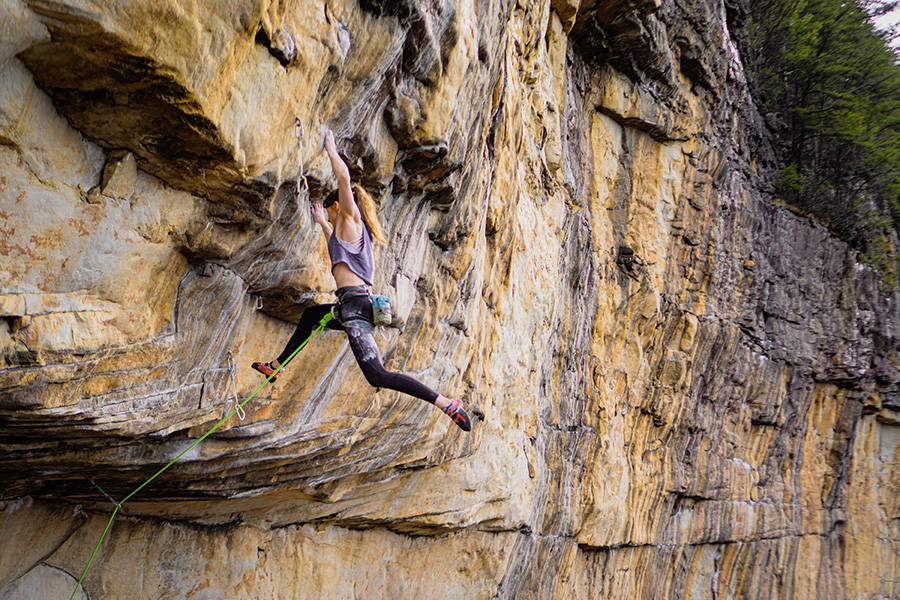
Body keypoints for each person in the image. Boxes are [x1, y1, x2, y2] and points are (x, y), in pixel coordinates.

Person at [252, 130, 472, 431]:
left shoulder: (350, 218)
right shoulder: (348, 235)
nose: (328, 216)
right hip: (351, 304)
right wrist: (320, 223)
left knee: (377, 375)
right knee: (311, 316)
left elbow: (344, 181)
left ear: (337, 206)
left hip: (356, 307)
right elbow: (336, 252)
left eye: (328, 211)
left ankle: (446, 403)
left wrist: (331, 149)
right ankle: (275, 368)